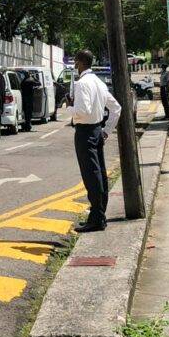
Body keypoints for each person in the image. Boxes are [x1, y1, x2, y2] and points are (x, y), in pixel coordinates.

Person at [71, 50, 121, 233]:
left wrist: (69, 108)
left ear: (79, 63)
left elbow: (82, 111)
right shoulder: (99, 82)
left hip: (85, 132)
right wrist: (106, 131)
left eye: (75, 63)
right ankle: (100, 214)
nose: (75, 66)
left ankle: (97, 218)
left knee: (91, 176)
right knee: (99, 173)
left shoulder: (82, 83)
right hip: (97, 130)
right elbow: (116, 108)